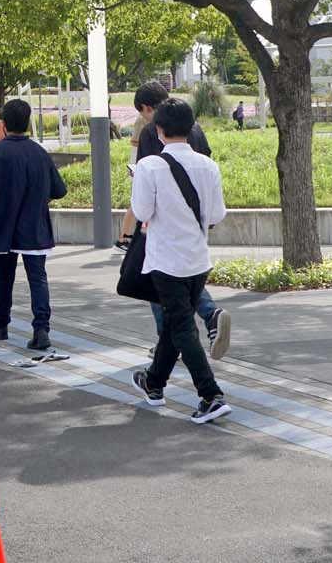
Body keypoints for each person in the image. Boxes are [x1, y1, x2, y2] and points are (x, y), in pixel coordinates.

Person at [128, 98, 233, 424]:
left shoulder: (149, 167)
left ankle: (210, 394)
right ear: (191, 128)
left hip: (165, 261)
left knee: (183, 327)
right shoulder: (208, 165)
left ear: (158, 129)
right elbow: (216, 214)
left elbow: (142, 213)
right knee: (175, 325)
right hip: (198, 259)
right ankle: (154, 383)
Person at [0, 99, 66, 352]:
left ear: (4, 121)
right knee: (38, 278)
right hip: (35, 226)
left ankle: (1, 324)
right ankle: (41, 330)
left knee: (5, 277)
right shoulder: (39, 153)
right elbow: (59, 189)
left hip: (3, 225)